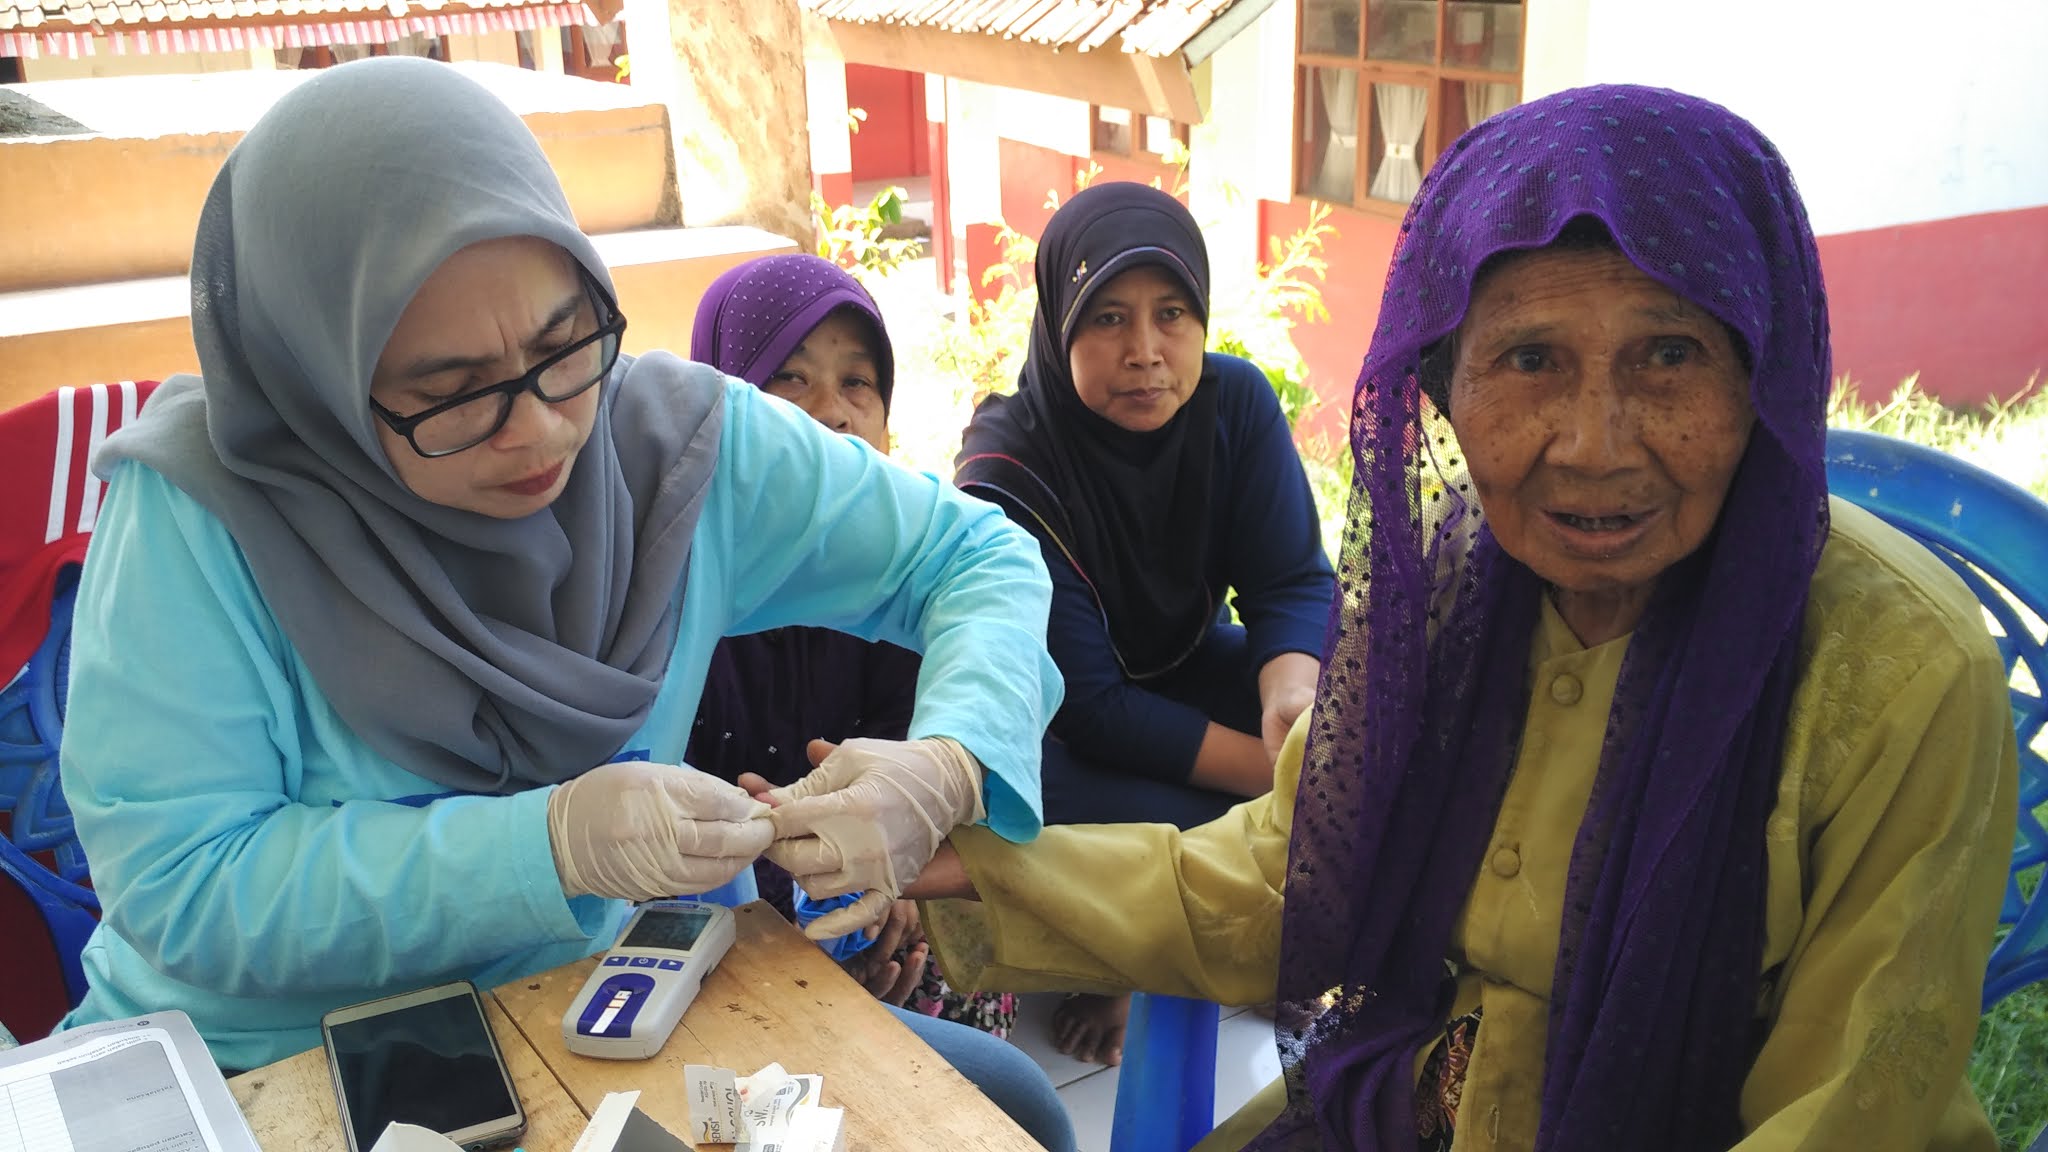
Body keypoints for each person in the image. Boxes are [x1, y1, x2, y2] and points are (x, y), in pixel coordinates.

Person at [910, 84, 2019, 1151]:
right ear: (1444, 388)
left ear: (1760, 373)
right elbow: (1284, 878)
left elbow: (1844, 1105)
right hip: (1413, 1103)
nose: (1593, 443)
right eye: (1528, 358)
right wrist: (980, 871)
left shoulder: (1899, 669)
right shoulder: (1450, 598)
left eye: (1669, 354)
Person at [54, 58, 1062, 1079]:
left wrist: (946, 764)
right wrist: (548, 847)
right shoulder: (202, 519)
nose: (541, 431)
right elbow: (186, 884)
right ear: (320, 383)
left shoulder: (671, 448)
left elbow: (975, 555)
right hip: (261, 1061)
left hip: (590, 1010)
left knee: (1013, 1103)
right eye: (451, 392)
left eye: (563, 342)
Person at [686, 253, 1073, 1152]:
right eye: (790, 376)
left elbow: (936, 746)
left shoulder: (906, 576)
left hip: (877, 888)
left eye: (859, 382)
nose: (833, 411)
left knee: (958, 972)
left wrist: (896, 860)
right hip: (720, 927)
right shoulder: (675, 583)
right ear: (724, 403)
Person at [952, 182, 1336, 1064]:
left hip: (1184, 669)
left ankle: (1252, 927)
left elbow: (1289, 582)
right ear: (1059, 325)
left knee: (1352, 700)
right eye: (1109, 319)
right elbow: (1088, 701)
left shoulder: (1233, 404)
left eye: (1172, 314)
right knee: (1025, 796)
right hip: (1060, 726)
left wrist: (1291, 694)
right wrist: (1275, 775)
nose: (1147, 352)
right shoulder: (1007, 468)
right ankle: (1163, 947)